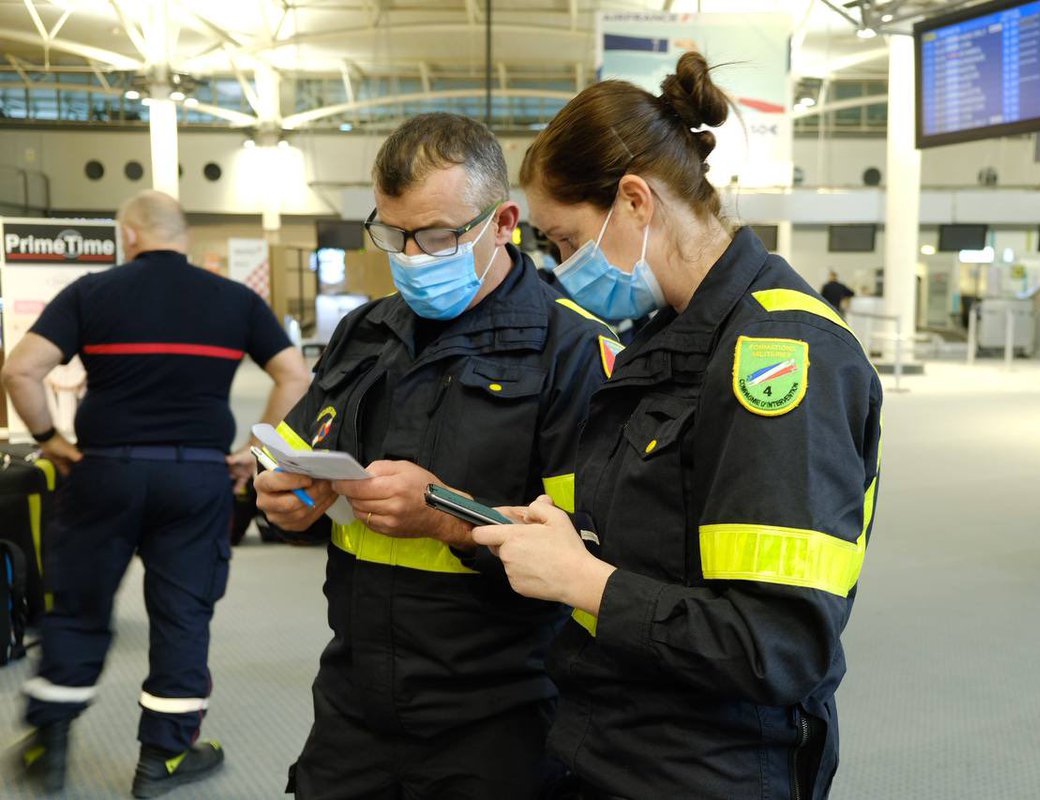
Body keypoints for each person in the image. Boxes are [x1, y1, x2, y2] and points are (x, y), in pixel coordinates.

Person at [471, 53, 884, 800]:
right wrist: (564, 534)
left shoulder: (781, 360)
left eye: (564, 241)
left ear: (635, 201)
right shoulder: (669, 339)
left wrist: (585, 579)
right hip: (616, 740)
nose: (561, 269)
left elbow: (777, 646)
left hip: (713, 766)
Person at [254, 112, 613, 800]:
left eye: (440, 235)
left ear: (504, 221)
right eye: (394, 234)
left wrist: (445, 516)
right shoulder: (364, 332)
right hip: (355, 698)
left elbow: (594, 544)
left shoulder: (570, 351)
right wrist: (281, 501)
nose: (414, 255)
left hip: (500, 711)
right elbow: (297, 459)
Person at [2, 190, 310, 797]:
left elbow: (19, 370)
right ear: (186, 236)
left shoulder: (90, 293)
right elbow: (294, 373)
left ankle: (48, 741)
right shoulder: (236, 299)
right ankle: (163, 759)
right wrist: (256, 449)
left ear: (129, 234)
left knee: (80, 607)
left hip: (104, 473)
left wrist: (50, 439)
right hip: (197, 479)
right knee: (183, 614)